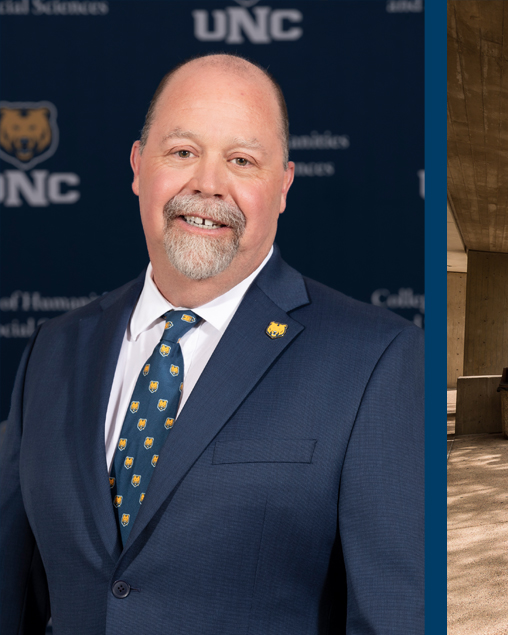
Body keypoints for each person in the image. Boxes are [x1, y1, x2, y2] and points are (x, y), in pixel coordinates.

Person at [0, 54, 424, 633]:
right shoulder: (53, 348)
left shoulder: (379, 359)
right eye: (182, 152)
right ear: (137, 166)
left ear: (282, 186)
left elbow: (393, 616)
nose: (207, 183)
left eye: (242, 160)